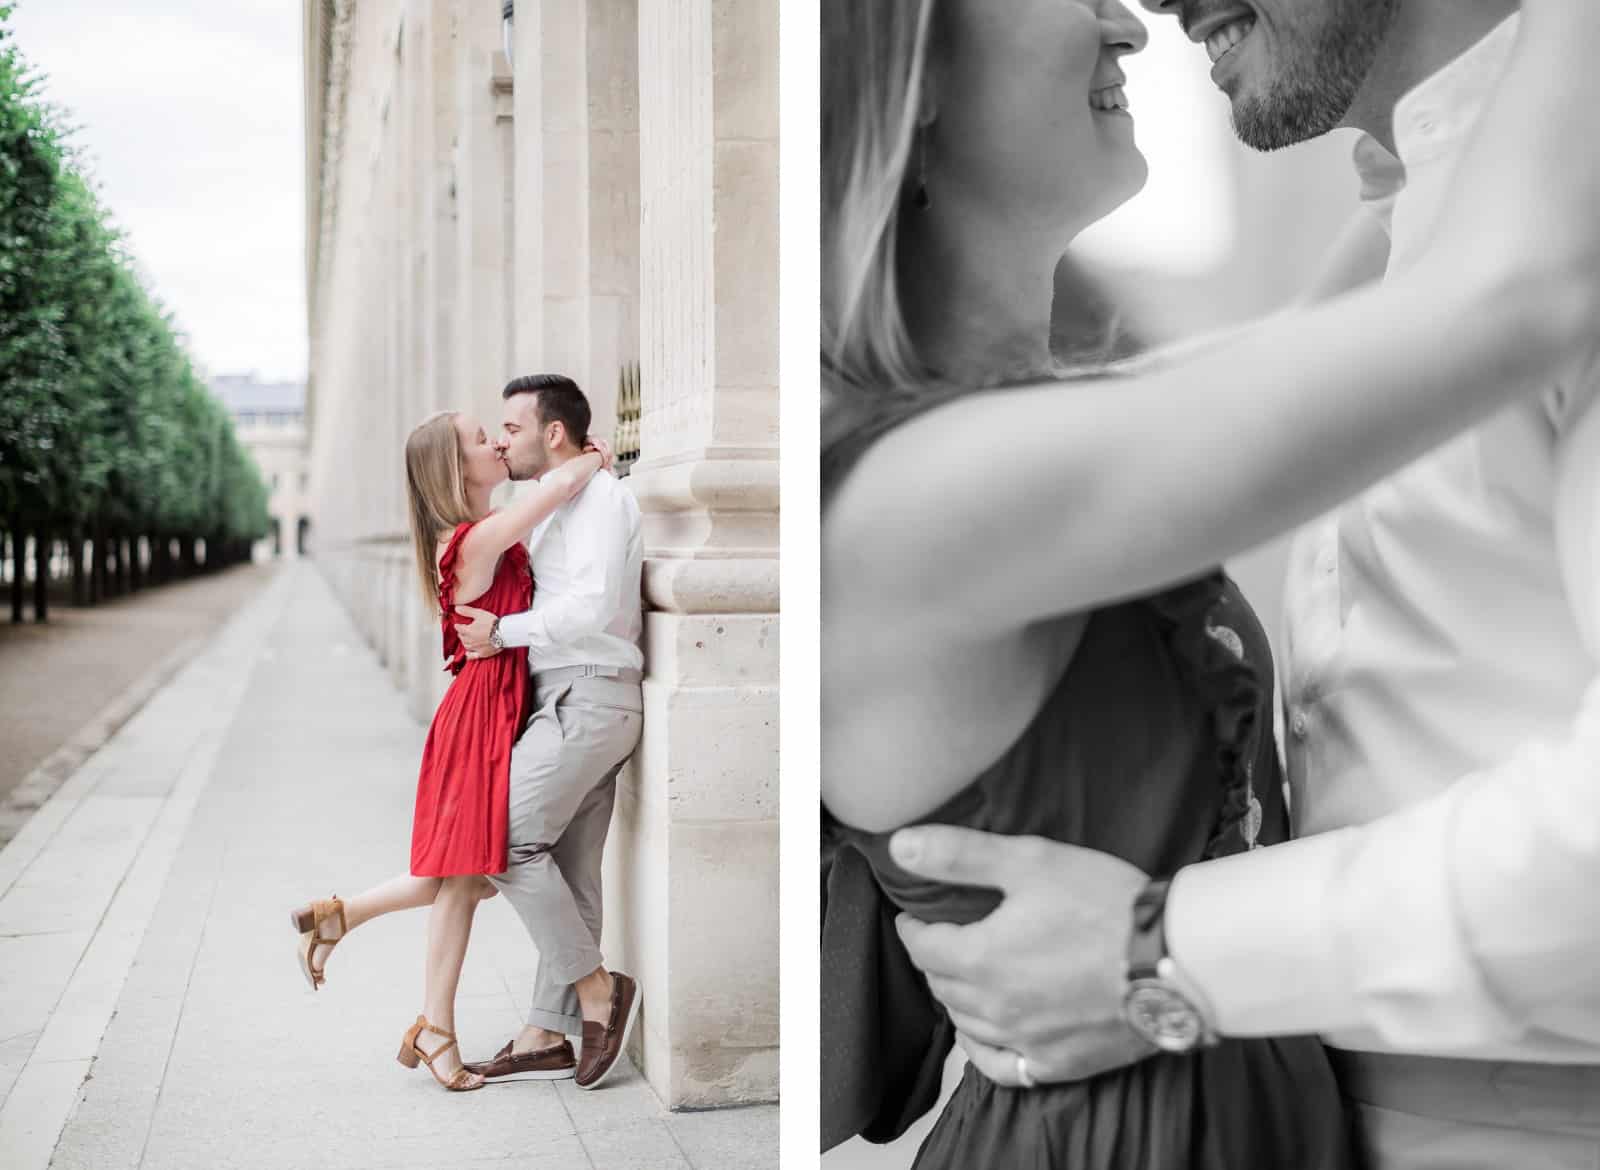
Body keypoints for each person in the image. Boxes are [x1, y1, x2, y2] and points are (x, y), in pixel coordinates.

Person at [821, 0, 1600, 1166]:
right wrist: (1162, 948)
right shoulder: (929, 496)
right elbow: (1508, 294)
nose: (1129, 23)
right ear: (907, 75)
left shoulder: (1021, 434)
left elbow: (1385, 263)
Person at [289, 408, 607, 1092]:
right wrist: (589, 455)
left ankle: (381, 961)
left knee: (465, 876)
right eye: (478, 439)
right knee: (465, 872)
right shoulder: (469, 542)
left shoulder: (471, 537)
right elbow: (554, 491)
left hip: (493, 710)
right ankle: (406, 992)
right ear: (455, 469)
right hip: (480, 717)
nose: (495, 441)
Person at [452, 374, 645, 1091]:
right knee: (570, 870)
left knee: (502, 839)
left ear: (552, 433)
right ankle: (544, 1031)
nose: (502, 439)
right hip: (567, 698)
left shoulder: (598, 500)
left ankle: (599, 994)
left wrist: (503, 633)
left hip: (588, 697)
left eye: (511, 427)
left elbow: (591, 606)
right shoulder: (556, 499)